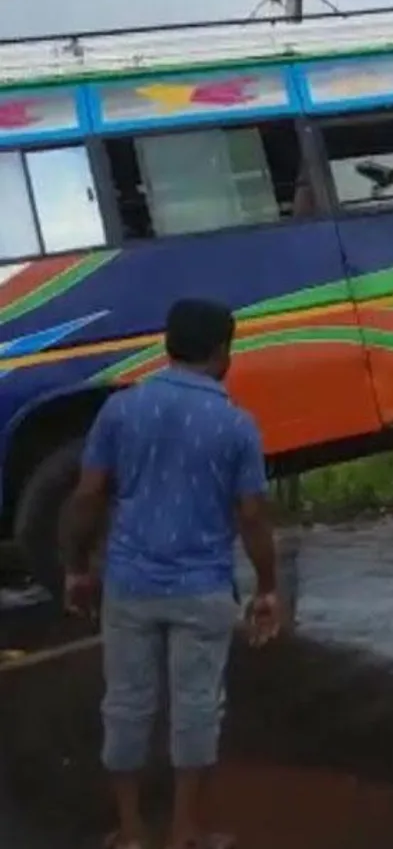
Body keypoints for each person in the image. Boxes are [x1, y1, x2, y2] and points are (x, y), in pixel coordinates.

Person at [61, 299, 282, 849]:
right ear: (222, 351)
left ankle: (132, 833)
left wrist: (75, 570)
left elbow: (89, 496)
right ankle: (185, 832)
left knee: (127, 704)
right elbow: (252, 516)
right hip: (202, 589)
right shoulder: (236, 425)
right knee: (197, 705)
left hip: (130, 584)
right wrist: (268, 587)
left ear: (168, 346)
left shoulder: (120, 410)